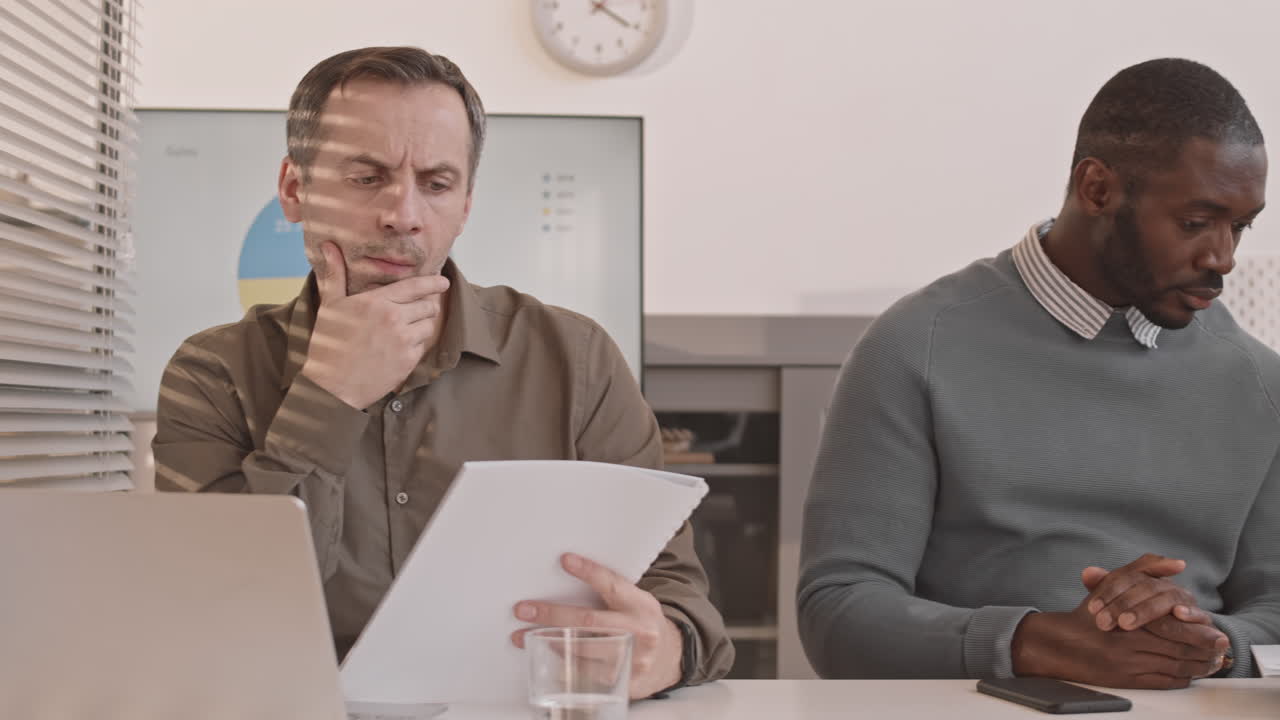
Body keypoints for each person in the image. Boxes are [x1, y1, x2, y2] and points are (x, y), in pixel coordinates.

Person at [152, 46, 733, 698]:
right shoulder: (213, 373)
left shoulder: (576, 358)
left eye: (436, 184)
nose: (403, 214)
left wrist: (665, 647)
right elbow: (212, 612)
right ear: (294, 190)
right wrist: (330, 395)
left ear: (465, 204)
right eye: (366, 177)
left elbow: (676, 595)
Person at [798, 58, 1278, 688]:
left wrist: (1207, 646)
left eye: (1239, 226)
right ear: (1097, 189)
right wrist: (1033, 644)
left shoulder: (1260, 383)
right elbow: (838, 614)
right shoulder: (916, 345)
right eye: (1194, 223)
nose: (1223, 257)